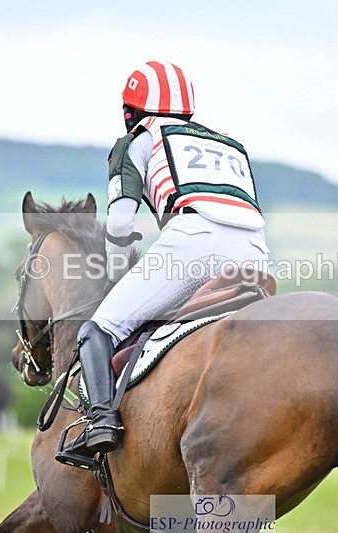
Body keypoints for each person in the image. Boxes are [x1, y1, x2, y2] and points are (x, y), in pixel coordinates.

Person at [70, 60, 270, 458]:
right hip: (257, 252)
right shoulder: (226, 141)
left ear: (130, 112)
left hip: (193, 242)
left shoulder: (137, 140)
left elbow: (122, 218)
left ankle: (101, 422)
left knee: (99, 328)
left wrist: (114, 270)